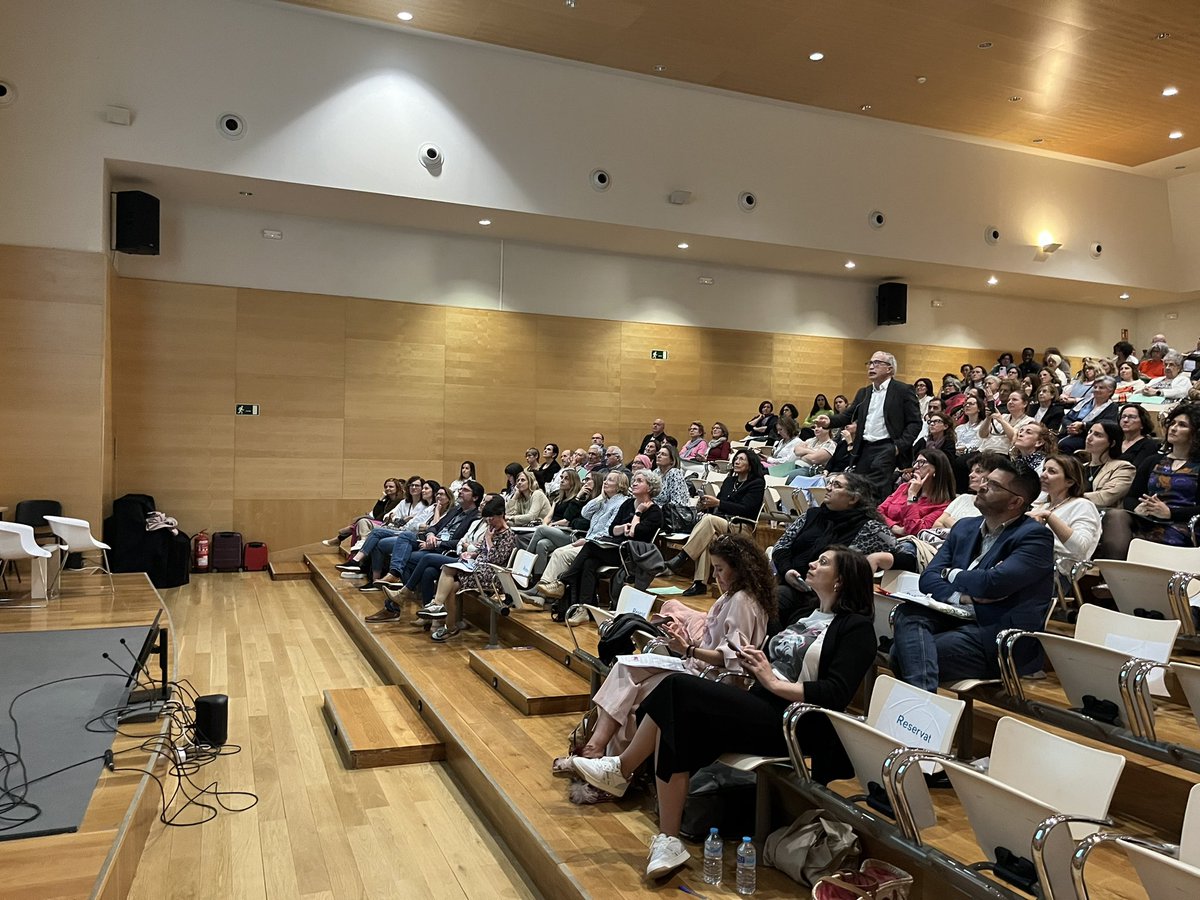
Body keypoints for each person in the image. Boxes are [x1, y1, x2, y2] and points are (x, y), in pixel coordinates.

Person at [571, 548, 877, 880]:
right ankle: (669, 840)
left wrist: (772, 681)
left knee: (677, 687)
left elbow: (835, 693)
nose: (812, 563)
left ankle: (622, 768)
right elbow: (771, 662)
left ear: (842, 579)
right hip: (762, 702)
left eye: (823, 562)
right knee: (677, 721)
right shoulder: (806, 615)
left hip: (795, 721)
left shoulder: (857, 629)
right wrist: (753, 661)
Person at [568, 533, 776, 763]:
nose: (715, 576)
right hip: (696, 667)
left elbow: (732, 660)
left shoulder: (741, 602)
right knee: (624, 668)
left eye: (719, 569)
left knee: (634, 698)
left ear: (740, 569)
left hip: (712, 679)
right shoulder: (732, 596)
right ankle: (595, 751)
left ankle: (612, 765)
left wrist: (687, 649)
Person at [890, 457, 1054, 690]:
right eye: (986, 480)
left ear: (1015, 502)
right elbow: (928, 578)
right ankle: (922, 708)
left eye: (995, 485)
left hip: (996, 633)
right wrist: (962, 596)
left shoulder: (1034, 537)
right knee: (908, 613)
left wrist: (949, 574)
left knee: (903, 652)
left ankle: (919, 709)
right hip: (955, 614)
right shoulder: (964, 526)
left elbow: (991, 584)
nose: (983, 486)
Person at [772, 473, 897, 623]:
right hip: (790, 583)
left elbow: (904, 554)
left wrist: (877, 558)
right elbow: (781, 546)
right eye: (829, 483)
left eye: (836, 485)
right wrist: (786, 571)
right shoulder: (812, 514)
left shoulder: (870, 528)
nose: (828, 488)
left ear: (853, 498)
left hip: (827, 598)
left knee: (771, 601)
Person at [349, 481, 482, 616]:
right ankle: (396, 579)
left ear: (475, 497)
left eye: (465, 490)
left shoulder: (475, 517)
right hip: (430, 540)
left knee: (413, 562)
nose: (460, 491)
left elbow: (460, 542)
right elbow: (435, 527)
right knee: (405, 538)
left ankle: (398, 599)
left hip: (444, 549)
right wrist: (430, 535)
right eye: (461, 489)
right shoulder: (456, 511)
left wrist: (437, 542)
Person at [1098, 403, 1200, 558]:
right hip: (1148, 519)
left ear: (1196, 433)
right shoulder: (1153, 461)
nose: (1173, 428)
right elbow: (1131, 497)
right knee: (1115, 515)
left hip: (1184, 523)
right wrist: (1138, 507)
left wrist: (1170, 513)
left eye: (1182, 425)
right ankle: (1116, 576)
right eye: (1172, 423)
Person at [820, 350, 922, 501]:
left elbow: (915, 423)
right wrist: (830, 422)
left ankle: (877, 522)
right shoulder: (864, 392)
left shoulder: (903, 390)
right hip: (864, 448)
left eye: (876, 363)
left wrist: (898, 446)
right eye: (870, 363)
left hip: (887, 447)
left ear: (889, 369)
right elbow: (849, 415)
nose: (871, 367)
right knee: (858, 490)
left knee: (875, 490)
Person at [559, 470, 664, 614]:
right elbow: (612, 530)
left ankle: (565, 579)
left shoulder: (655, 512)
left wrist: (638, 513)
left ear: (650, 487)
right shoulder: (627, 503)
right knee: (589, 563)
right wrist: (622, 528)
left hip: (630, 556)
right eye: (634, 480)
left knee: (590, 545)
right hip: (614, 547)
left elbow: (634, 532)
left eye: (639, 481)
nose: (634, 483)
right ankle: (584, 610)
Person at [665, 449, 766, 596]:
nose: (737, 461)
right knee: (709, 538)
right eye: (736, 459)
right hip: (721, 522)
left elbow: (746, 509)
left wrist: (718, 503)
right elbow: (719, 504)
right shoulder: (729, 481)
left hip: (741, 526)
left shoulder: (756, 483)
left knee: (709, 521)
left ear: (750, 465)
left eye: (742, 459)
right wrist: (706, 504)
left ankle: (684, 556)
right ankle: (699, 583)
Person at [418, 496, 519, 642]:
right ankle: (450, 627)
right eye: (487, 519)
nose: (489, 522)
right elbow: (482, 551)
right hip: (478, 568)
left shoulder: (508, 535)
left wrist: (489, 540)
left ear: (501, 515)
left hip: (491, 575)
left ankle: (437, 604)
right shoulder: (492, 530)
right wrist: (472, 553)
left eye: (492, 518)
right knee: (451, 587)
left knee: (447, 567)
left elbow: (494, 559)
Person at [530, 471, 630, 601]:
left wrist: (588, 541)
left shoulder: (621, 503)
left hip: (599, 545)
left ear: (620, 485)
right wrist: (600, 497)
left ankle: (542, 592)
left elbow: (608, 530)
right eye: (605, 480)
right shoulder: (603, 501)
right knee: (558, 552)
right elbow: (585, 513)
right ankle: (542, 590)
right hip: (589, 541)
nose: (605, 482)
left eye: (610, 480)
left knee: (562, 554)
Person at [1029, 454, 1102, 574]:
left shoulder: (1082, 505)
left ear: (1070, 482)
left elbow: (1080, 548)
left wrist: (1049, 516)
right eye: (1043, 470)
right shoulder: (1042, 506)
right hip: (1031, 562)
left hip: (1057, 572)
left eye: (1052, 471)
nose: (1043, 475)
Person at [878, 448, 956, 537]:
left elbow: (915, 531)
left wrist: (912, 496)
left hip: (905, 544)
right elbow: (878, 511)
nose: (915, 466)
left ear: (937, 470)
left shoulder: (943, 505)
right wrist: (894, 527)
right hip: (883, 533)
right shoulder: (904, 487)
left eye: (922, 462)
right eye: (916, 462)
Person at [323, 477, 403, 547]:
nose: (388, 488)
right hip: (379, 520)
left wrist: (374, 518)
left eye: (391, 487)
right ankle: (342, 536)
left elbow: (381, 517)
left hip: (387, 524)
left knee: (361, 522)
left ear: (397, 488)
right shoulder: (386, 499)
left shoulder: (399, 500)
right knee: (359, 520)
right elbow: (376, 513)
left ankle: (340, 537)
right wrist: (380, 500)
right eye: (386, 487)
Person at [1078, 421, 1135, 508]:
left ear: (1112, 443)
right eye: (1090, 432)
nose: (1089, 438)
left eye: (1098, 435)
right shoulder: (1080, 467)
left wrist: (1070, 497)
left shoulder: (1123, 467)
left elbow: (1105, 498)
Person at [1057, 375, 1119, 454]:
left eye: (1101, 388)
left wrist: (1083, 425)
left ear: (1110, 391)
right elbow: (1066, 417)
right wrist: (1070, 426)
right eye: (1095, 387)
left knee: (1065, 445)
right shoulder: (1084, 402)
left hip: (1088, 437)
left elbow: (1106, 426)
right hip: (1070, 432)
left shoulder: (1112, 408)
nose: (1096, 390)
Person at [976, 389, 1033, 454]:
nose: (1010, 402)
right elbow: (982, 435)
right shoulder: (1003, 416)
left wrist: (1001, 421)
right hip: (984, 450)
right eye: (1009, 400)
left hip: (1002, 453)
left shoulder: (1029, 421)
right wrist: (988, 418)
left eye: (1014, 400)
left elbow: (1014, 438)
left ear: (1025, 404)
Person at [1115, 403, 1161, 469]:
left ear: (1142, 423)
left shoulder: (1148, 445)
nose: (1125, 420)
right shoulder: (1115, 442)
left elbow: (1137, 469)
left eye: (1132, 417)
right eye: (1123, 416)